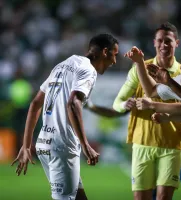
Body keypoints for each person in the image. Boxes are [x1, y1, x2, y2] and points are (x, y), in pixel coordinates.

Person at [11, 33, 119, 200]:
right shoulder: (88, 70)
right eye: (115, 54)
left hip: (44, 144)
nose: (115, 61)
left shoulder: (64, 65)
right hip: (62, 146)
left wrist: (26, 146)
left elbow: (35, 104)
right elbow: (73, 103)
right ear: (105, 52)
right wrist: (86, 145)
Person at [113, 22, 181, 200]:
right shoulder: (172, 76)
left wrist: (155, 106)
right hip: (143, 142)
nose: (164, 45)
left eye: (168, 41)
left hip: (173, 145)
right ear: (154, 43)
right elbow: (153, 92)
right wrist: (139, 64)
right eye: (160, 40)